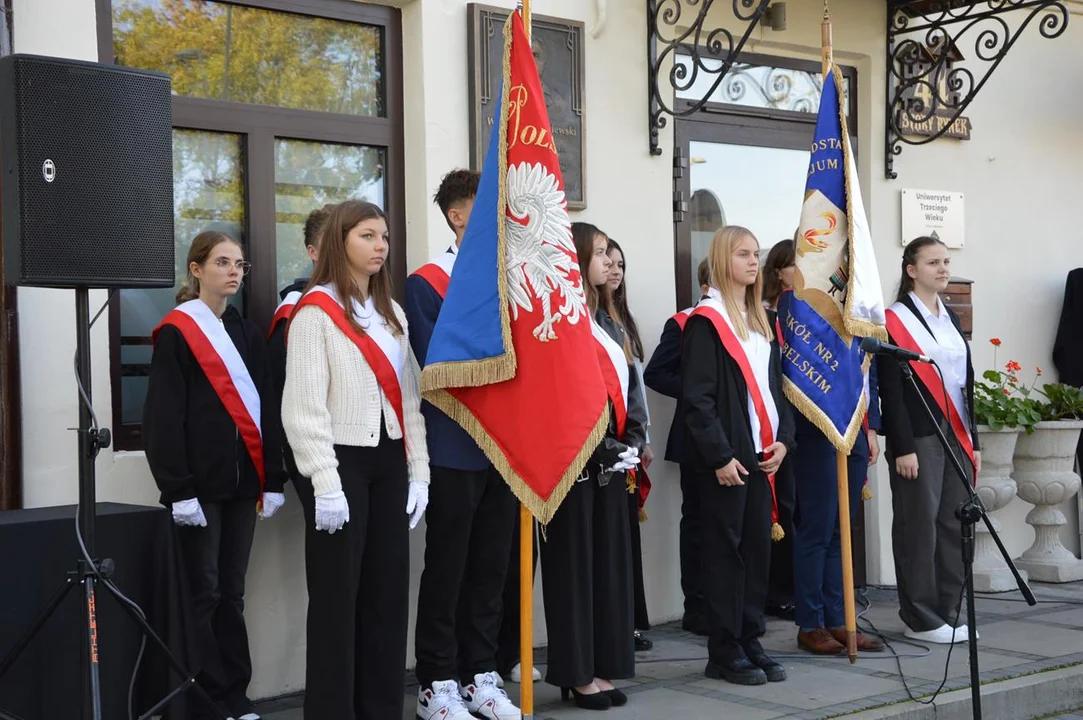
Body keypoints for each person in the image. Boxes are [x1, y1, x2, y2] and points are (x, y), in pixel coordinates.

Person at [281, 199, 430, 719]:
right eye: (368, 235)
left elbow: (409, 398)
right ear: (340, 239)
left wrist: (420, 474)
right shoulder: (314, 311)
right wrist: (324, 481)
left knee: (387, 598)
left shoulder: (392, 314)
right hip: (340, 462)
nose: (380, 246)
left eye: (385, 237)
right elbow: (303, 408)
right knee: (337, 604)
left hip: (391, 461)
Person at [143, 231, 288, 720]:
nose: (233, 271)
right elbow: (164, 416)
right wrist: (177, 488)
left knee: (232, 593)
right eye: (223, 262)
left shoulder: (247, 333)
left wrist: (272, 478)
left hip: (243, 485)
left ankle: (233, 694)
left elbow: (267, 406)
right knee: (200, 595)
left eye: (240, 264)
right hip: (197, 492)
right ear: (196, 268)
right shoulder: (179, 332)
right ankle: (200, 700)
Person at [408, 169, 521, 720]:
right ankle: (437, 681)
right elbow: (439, 360)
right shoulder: (426, 283)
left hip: (504, 449)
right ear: (458, 215)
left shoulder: (512, 280)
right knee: (448, 567)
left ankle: (481, 674)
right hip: (454, 446)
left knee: (492, 567)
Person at [682, 225, 794, 686]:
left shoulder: (758, 320)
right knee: (725, 555)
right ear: (723, 259)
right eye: (744, 254)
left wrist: (785, 438)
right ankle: (724, 649)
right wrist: (720, 456)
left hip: (762, 453)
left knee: (756, 552)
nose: (754, 262)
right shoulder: (707, 322)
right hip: (727, 459)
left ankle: (750, 639)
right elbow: (698, 400)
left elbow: (776, 391)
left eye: (756, 254)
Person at [540, 222, 644, 711]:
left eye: (608, 253)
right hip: (571, 465)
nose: (607, 262)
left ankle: (604, 665)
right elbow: (557, 395)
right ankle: (575, 672)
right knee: (575, 570)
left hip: (612, 463)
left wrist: (632, 441)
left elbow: (630, 388)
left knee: (609, 569)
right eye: (599, 253)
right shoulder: (560, 318)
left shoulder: (609, 321)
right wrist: (595, 443)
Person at [878, 235, 980, 644]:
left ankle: (948, 612)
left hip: (955, 433)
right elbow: (891, 389)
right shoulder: (894, 320)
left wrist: (975, 442)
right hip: (919, 438)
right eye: (934, 262)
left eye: (946, 262)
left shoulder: (949, 319)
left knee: (955, 523)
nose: (943, 269)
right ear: (911, 270)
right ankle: (920, 617)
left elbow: (963, 384)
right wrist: (901, 445)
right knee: (918, 526)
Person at [791, 370, 886, 654]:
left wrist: (871, 428)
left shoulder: (862, 322)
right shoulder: (802, 321)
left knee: (840, 529)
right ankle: (810, 624)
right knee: (817, 529)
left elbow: (869, 370)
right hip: (818, 419)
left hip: (855, 423)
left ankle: (838, 621)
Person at [644, 258, 710, 636]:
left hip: (743, 438)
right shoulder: (684, 322)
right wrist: (700, 394)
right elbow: (656, 373)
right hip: (696, 437)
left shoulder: (750, 321)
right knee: (699, 523)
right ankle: (697, 607)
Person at [605, 238, 653, 652]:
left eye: (621, 263)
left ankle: (632, 620)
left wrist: (643, 438)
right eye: (608, 261)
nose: (615, 269)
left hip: (631, 439)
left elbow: (634, 383)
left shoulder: (624, 321)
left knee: (628, 539)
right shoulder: (597, 319)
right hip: (610, 445)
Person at [268, 204, 330, 482]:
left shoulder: (369, 305)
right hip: (316, 445)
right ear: (312, 252)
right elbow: (285, 390)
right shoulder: (295, 310)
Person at [762, 239, 795, 312]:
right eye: (793, 265)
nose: (799, 270)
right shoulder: (762, 310)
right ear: (778, 272)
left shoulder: (814, 308)